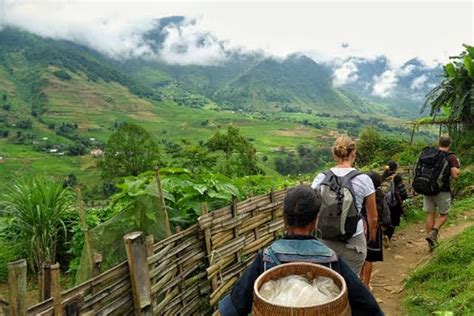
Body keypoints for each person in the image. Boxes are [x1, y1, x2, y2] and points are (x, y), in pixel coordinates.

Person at [218, 185, 384, 316]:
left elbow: (233, 307)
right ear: (315, 221)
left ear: (284, 218)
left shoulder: (266, 258)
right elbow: (369, 307)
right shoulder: (332, 261)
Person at [311, 135, 378, 275]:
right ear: (354, 153)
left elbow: (313, 212)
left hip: (324, 241)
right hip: (353, 242)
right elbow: (373, 218)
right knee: (351, 284)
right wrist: (371, 237)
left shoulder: (320, 178)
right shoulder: (364, 180)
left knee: (326, 282)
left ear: (334, 154)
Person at [423, 136, 460, 250]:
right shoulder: (451, 157)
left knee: (430, 214)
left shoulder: (430, 154)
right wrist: (458, 167)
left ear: (438, 143)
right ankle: (433, 233)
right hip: (442, 190)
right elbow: (455, 175)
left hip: (427, 188)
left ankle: (431, 244)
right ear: (450, 144)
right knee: (443, 215)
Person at [360, 172, 391, 289]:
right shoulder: (379, 195)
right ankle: (367, 284)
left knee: (360, 255)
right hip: (374, 229)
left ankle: (360, 279)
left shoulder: (360, 193)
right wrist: (384, 226)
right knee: (369, 258)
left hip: (360, 227)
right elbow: (385, 214)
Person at [381, 161, 408, 248]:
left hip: (384, 202)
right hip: (395, 203)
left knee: (385, 220)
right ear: (395, 168)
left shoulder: (383, 177)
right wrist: (404, 198)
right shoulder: (397, 177)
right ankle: (388, 237)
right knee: (394, 221)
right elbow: (401, 190)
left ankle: (384, 234)